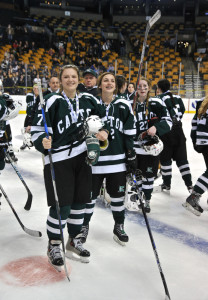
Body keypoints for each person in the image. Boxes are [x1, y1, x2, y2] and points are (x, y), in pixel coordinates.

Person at [31, 64, 109, 269]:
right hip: (58, 159)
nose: (70, 80)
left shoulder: (88, 99)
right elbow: (37, 129)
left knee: (80, 203)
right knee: (62, 205)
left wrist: (104, 132)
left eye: (73, 76)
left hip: (83, 158)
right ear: (60, 80)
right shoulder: (51, 101)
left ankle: (74, 240)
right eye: (66, 77)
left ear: (79, 79)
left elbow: (104, 120)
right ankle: (54, 243)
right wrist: (42, 142)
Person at [72, 72, 136, 247]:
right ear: (99, 85)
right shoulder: (91, 104)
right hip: (94, 162)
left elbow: (130, 131)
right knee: (89, 198)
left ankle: (119, 226)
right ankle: (84, 227)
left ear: (115, 85)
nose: (109, 83)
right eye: (105, 81)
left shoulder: (123, 104)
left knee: (117, 196)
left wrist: (131, 153)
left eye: (112, 81)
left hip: (117, 161)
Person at [132, 77, 172, 213]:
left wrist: (157, 127)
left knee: (149, 177)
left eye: (145, 86)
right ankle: (138, 198)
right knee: (135, 177)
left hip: (150, 149)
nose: (142, 89)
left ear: (149, 88)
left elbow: (168, 121)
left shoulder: (156, 103)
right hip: (134, 148)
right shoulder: (130, 103)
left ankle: (147, 200)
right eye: (139, 86)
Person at [156, 79, 193, 193]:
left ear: (159, 88)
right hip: (178, 132)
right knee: (182, 161)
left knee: (166, 161)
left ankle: (166, 184)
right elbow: (182, 110)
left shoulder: (159, 99)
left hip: (165, 133)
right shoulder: (177, 97)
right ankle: (190, 186)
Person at [183, 95, 208, 216]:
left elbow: (194, 124)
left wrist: (196, 142)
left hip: (203, 142)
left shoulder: (202, 102)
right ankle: (194, 197)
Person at [20, 84, 39, 150]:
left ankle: (37, 144)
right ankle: (25, 143)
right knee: (25, 129)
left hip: (37, 117)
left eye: (37, 88)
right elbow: (29, 100)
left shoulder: (41, 97)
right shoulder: (29, 95)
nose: (36, 90)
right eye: (34, 88)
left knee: (37, 131)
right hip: (29, 116)